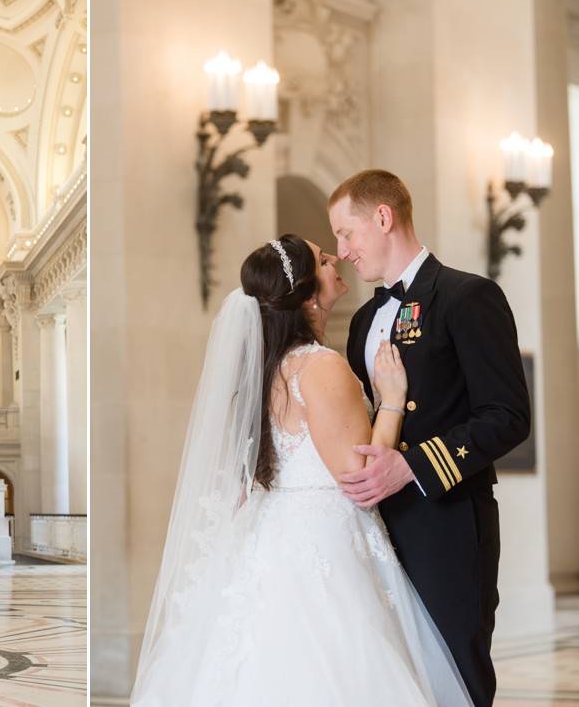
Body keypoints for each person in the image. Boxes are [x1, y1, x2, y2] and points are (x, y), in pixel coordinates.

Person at [131, 234, 471, 706]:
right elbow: (358, 476)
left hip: (274, 532)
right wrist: (391, 401)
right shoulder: (319, 366)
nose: (338, 261)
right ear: (309, 294)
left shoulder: (266, 370)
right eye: (325, 260)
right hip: (324, 542)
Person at [328, 169, 531, 706]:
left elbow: (508, 415)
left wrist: (412, 466)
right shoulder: (362, 321)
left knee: (455, 680)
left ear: (383, 217)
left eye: (346, 233)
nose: (342, 250)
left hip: (446, 526)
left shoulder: (468, 296)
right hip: (373, 530)